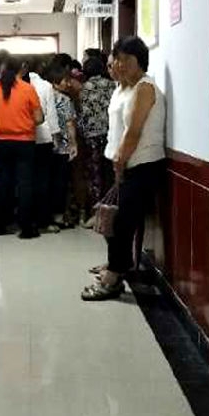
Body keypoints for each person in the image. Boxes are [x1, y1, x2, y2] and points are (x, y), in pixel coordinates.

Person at [82, 37, 166, 301]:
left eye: (124, 59)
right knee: (110, 218)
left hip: (139, 165)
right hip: (118, 162)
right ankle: (116, 263)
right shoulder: (121, 89)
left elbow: (134, 131)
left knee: (121, 223)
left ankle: (113, 279)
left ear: (138, 60)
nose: (118, 65)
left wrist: (120, 162)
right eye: (116, 60)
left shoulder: (145, 88)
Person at [0, 56, 44, 238]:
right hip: (24, 142)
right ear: (22, 68)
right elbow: (38, 118)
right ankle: (26, 227)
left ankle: (0, 225)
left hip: (0, 142)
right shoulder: (28, 89)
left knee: (2, 182)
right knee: (25, 183)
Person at [79, 56, 117, 225]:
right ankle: (111, 210)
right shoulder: (111, 85)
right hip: (110, 134)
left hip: (92, 136)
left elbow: (83, 113)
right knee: (109, 172)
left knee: (94, 173)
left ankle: (96, 213)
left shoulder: (84, 88)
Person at [26, 57, 61, 234]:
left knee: (26, 181)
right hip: (43, 138)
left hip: (24, 139)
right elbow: (51, 115)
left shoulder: (18, 85)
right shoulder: (46, 86)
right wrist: (55, 138)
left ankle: (27, 219)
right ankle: (43, 220)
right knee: (43, 181)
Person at [44, 63, 78, 229]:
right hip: (62, 146)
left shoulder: (42, 95)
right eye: (65, 80)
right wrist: (74, 144)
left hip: (45, 144)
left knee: (46, 181)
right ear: (55, 81)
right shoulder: (65, 99)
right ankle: (58, 215)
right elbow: (70, 123)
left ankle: (45, 215)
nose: (69, 83)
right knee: (60, 182)